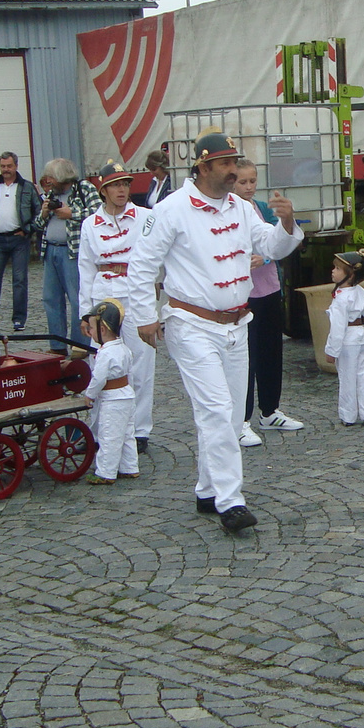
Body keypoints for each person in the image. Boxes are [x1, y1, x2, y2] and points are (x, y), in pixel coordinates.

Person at [127, 129, 304, 533]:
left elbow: (272, 247)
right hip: (190, 324)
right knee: (217, 410)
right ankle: (231, 500)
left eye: (234, 162)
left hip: (236, 324)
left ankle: (208, 489)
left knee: (225, 412)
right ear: (203, 166)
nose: (232, 170)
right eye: (224, 163)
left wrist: (287, 222)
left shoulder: (241, 209)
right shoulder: (172, 209)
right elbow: (141, 265)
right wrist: (143, 316)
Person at [78, 162, 154, 454]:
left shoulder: (146, 218)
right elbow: (85, 268)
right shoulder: (90, 225)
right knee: (102, 361)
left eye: (125, 184)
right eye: (115, 185)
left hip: (135, 294)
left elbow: (159, 255)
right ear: (104, 190)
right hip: (104, 295)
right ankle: (101, 428)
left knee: (141, 362)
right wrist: (86, 312)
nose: (122, 190)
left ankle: (140, 429)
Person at [233, 158, 304, 448]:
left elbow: (279, 241)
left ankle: (270, 411)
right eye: (243, 182)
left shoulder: (262, 208)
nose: (249, 187)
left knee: (271, 352)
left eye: (253, 181)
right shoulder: (228, 212)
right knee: (244, 358)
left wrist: (266, 256)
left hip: (269, 288)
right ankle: (242, 419)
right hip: (245, 293)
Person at [33, 159, 100, 353]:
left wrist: (72, 213)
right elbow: (37, 224)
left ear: (62, 177)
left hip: (73, 252)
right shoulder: (51, 194)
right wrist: (45, 213)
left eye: (51, 178)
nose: (49, 182)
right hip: (50, 251)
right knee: (50, 299)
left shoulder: (84, 188)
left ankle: (80, 344)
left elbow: (98, 213)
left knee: (77, 299)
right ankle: (57, 345)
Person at [0, 151, 42, 330]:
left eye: (9, 166)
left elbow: (39, 213)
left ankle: (19, 319)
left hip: (19, 240)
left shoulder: (27, 187)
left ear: (16, 166)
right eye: (3, 166)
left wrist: (27, 230)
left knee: (19, 280)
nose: (6, 170)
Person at [80, 299, 137, 485]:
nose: (91, 332)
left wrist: (89, 394)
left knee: (109, 435)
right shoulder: (124, 348)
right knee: (127, 433)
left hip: (112, 399)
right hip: (127, 394)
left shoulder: (105, 353)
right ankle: (130, 467)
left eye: (92, 329)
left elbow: (98, 378)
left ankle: (106, 472)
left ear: (103, 330)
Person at [325, 249, 364, 427]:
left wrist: (331, 351)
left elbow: (338, 328)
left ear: (350, 273)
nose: (333, 271)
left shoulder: (340, 299)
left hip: (348, 339)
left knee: (347, 377)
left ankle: (348, 415)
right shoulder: (360, 291)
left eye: (338, 268)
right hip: (361, 336)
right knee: (362, 374)